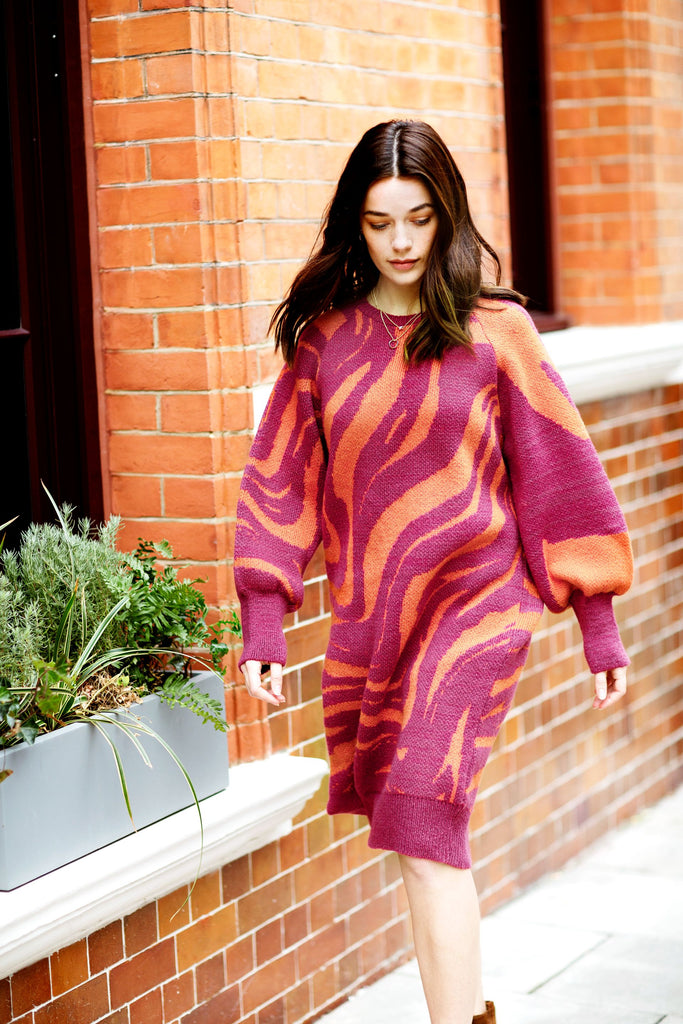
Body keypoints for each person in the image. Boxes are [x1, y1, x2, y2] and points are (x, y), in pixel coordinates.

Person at [233, 120, 633, 1024]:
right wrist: (264, 616)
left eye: (419, 217)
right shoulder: (325, 343)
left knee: (422, 819)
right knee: (417, 845)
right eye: (381, 223)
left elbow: (562, 478)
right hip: (375, 615)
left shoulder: (498, 331)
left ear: (445, 213)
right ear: (355, 226)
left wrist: (596, 624)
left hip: (480, 607)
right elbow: (281, 480)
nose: (404, 242)